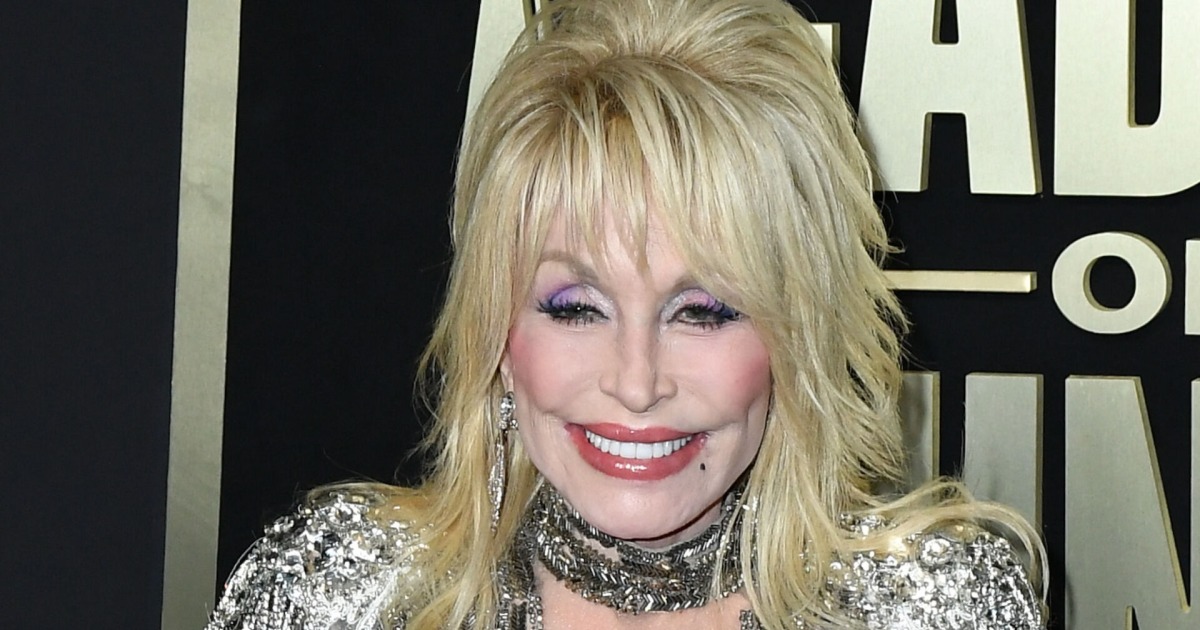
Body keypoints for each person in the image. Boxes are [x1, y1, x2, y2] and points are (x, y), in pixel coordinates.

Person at [206, 0, 1046, 628]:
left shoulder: (937, 610)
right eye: (576, 309)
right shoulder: (335, 601)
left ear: (797, 338)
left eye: (703, 312)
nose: (636, 383)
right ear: (497, 337)